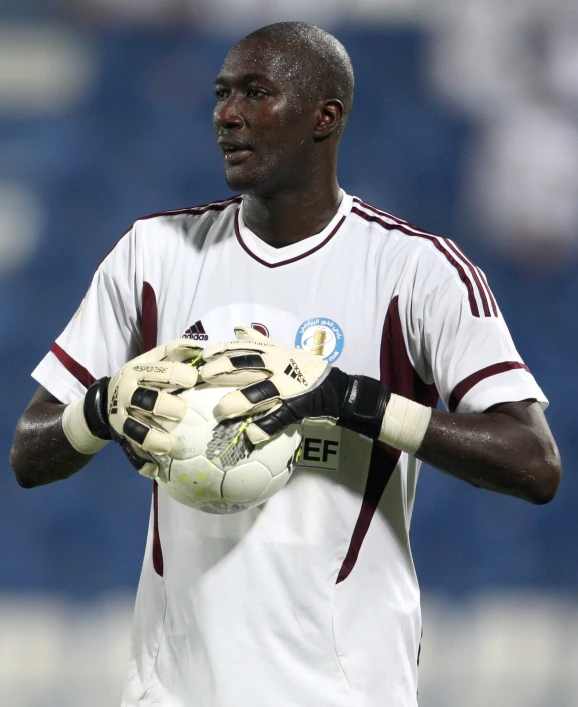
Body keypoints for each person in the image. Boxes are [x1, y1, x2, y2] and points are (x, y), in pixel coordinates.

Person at [10, 21, 561, 707]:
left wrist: (353, 401)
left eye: (255, 93)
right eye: (221, 94)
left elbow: (535, 463)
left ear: (324, 116)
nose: (226, 115)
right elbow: (29, 453)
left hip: (344, 692)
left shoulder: (417, 271)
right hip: (172, 692)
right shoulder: (151, 256)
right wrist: (104, 406)